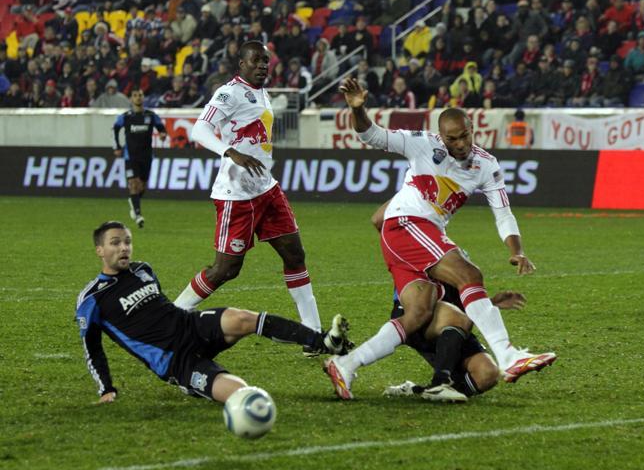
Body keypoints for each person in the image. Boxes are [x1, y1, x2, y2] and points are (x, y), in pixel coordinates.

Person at [324, 78, 557, 400]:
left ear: (472, 129)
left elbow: (503, 213)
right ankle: (508, 356)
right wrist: (358, 108)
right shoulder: (421, 143)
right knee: (470, 275)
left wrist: (517, 251)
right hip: (407, 223)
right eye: (452, 138)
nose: (459, 144)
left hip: (412, 234)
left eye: (464, 136)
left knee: (418, 313)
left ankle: (346, 365)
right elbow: (372, 135)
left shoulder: (486, 165)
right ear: (441, 135)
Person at [76, 221, 351, 404]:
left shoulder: (142, 270)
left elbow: (161, 309)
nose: (123, 247)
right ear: (100, 250)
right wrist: (106, 389)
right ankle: (203, 387)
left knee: (241, 318)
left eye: (127, 241)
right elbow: (93, 349)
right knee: (243, 394)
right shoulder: (92, 299)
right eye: (115, 243)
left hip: (190, 325)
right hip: (175, 360)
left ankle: (322, 341)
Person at [173, 41, 326, 354]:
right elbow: (199, 130)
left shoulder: (261, 92)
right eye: (256, 60)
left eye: (265, 61)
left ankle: (314, 335)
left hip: (267, 189)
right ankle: (172, 318)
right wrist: (230, 152)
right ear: (240, 63)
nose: (262, 66)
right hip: (236, 196)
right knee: (225, 269)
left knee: (295, 255)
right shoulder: (229, 93)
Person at [367, 201, 532, 403]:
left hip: (450, 323)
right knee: (456, 319)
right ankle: (439, 383)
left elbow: (462, 301)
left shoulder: (458, 256)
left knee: (487, 375)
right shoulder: (407, 239)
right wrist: (407, 194)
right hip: (415, 317)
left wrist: (491, 303)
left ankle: (419, 391)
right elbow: (377, 219)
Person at [112, 89, 168, 228]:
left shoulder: (151, 115)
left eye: (140, 95)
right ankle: (138, 215)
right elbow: (115, 129)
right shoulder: (125, 117)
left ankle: (134, 201)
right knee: (133, 184)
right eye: (135, 95)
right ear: (131, 99)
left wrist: (162, 134)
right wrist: (117, 146)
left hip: (146, 156)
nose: (138, 98)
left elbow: (161, 128)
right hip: (130, 156)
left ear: (143, 98)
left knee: (142, 186)